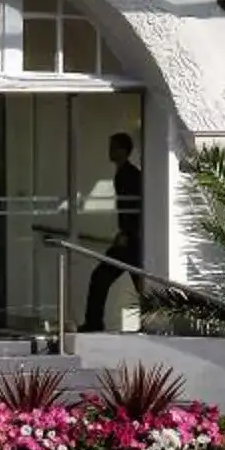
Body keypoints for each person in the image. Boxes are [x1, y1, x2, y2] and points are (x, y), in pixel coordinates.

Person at [81, 132, 145, 332]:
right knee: (138, 283)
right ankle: (94, 322)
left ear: (123, 150)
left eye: (113, 147)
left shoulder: (128, 175)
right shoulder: (125, 173)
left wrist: (127, 232)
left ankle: (94, 322)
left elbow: (133, 207)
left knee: (102, 278)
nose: (110, 151)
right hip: (131, 238)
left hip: (131, 240)